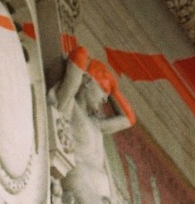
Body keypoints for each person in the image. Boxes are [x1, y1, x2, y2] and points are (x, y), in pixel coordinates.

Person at [51, 46, 135, 204]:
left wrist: (114, 89)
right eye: (103, 89)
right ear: (88, 81)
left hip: (101, 193)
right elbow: (79, 56)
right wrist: (87, 66)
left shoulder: (97, 124)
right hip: (79, 181)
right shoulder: (69, 105)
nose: (104, 99)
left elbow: (129, 118)